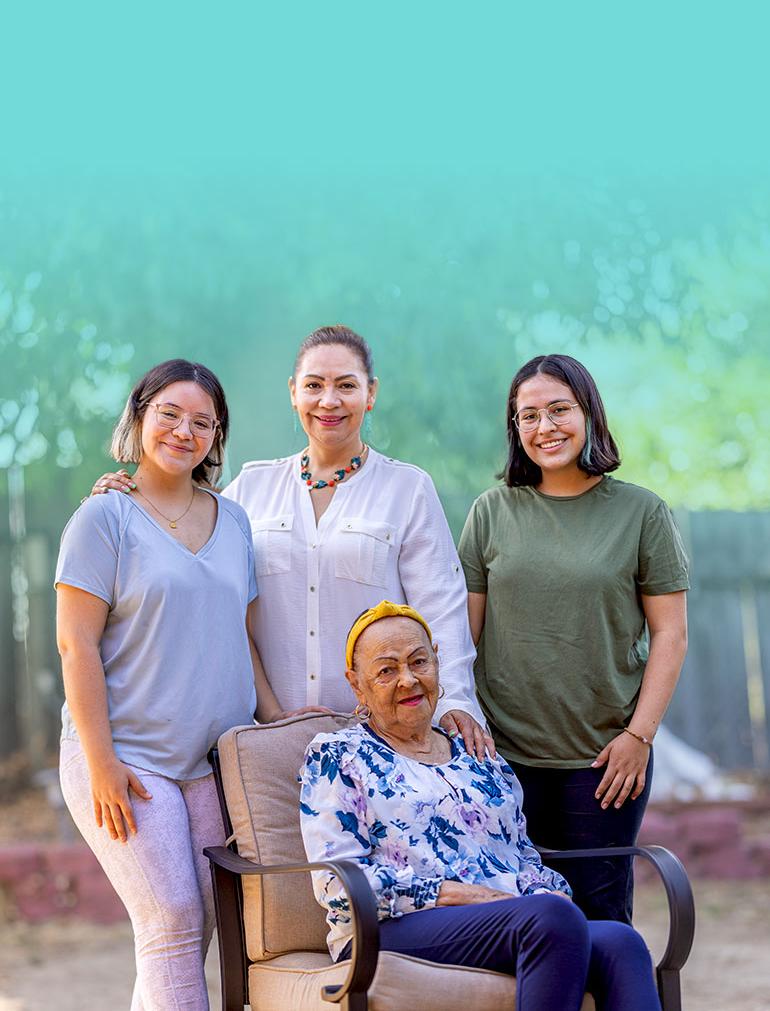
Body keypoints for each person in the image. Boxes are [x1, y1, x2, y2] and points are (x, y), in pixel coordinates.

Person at [88, 325, 488, 755]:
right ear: (294, 392)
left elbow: (441, 610)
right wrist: (124, 500)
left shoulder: (407, 489)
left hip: (383, 738)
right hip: (270, 737)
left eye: (346, 386)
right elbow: (182, 549)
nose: (328, 400)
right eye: (314, 385)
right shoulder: (248, 491)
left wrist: (454, 701)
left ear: (370, 394)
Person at [56, 359, 292, 1011]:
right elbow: (74, 643)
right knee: (171, 923)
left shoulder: (235, 520)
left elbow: (239, 637)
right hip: (127, 759)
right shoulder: (102, 519)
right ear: (138, 417)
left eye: (202, 422)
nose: (184, 430)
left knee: (193, 931)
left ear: (217, 438)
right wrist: (100, 761)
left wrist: (279, 721)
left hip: (209, 767)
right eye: (169, 414)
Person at [300, 601, 662, 1011]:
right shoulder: (339, 755)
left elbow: (522, 856)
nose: (408, 680)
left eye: (419, 661)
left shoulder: (478, 753)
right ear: (356, 685)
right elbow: (337, 882)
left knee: (620, 941)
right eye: (386, 670)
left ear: (438, 661)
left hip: (512, 919)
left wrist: (549, 893)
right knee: (548, 920)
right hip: (388, 927)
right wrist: (467, 897)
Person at [458, 354, 689, 924]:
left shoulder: (641, 512)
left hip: (606, 759)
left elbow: (672, 633)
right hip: (501, 759)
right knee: (516, 920)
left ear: (589, 414)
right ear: (515, 428)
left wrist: (640, 736)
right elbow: (461, 636)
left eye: (559, 410)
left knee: (601, 917)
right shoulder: (490, 512)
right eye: (528, 416)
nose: (545, 428)